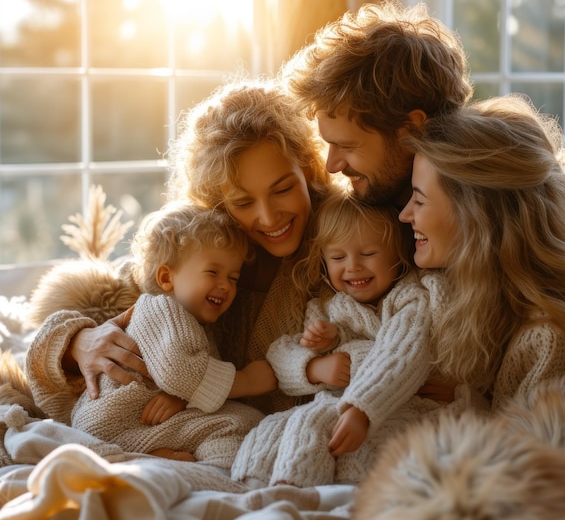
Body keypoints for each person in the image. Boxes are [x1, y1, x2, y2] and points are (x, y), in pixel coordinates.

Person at [28, 78, 338, 416]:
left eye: (282, 189)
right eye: (244, 201)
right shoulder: (209, 247)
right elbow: (116, 294)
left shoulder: (344, 249)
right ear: (220, 203)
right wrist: (78, 343)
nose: (268, 217)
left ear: (307, 169)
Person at [396, 93, 565, 407]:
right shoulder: (458, 286)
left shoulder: (544, 336)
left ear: (475, 218)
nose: (404, 215)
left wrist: (471, 404)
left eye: (420, 201)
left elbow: (525, 442)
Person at [230, 190, 456, 487]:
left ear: (398, 256)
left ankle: (298, 491)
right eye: (338, 257)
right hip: (337, 404)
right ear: (324, 262)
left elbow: (400, 353)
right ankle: (249, 486)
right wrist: (314, 367)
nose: (353, 266)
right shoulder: (324, 308)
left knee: (317, 424)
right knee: (271, 426)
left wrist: (362, 408)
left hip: (392, 404)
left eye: (368, 254)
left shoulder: (410, 299)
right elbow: (279, 355)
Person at [28, 203, 275, 466]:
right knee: (243, 421)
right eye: (213, 272)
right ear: (166, 278)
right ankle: (208, 473)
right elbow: (179, 371)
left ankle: (168, 460)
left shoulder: (197, 325)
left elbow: (183, 376)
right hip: (115, 416)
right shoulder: (160, 309)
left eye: (234, 277)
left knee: (233, 425)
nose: (225, 285)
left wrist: (182, 396)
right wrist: (246, 381)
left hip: (130, 422)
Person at [281, 0, 474, 207]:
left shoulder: (473, 228)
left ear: (412, 129)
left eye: (347, 146)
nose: (332, 166)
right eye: (330, 144)